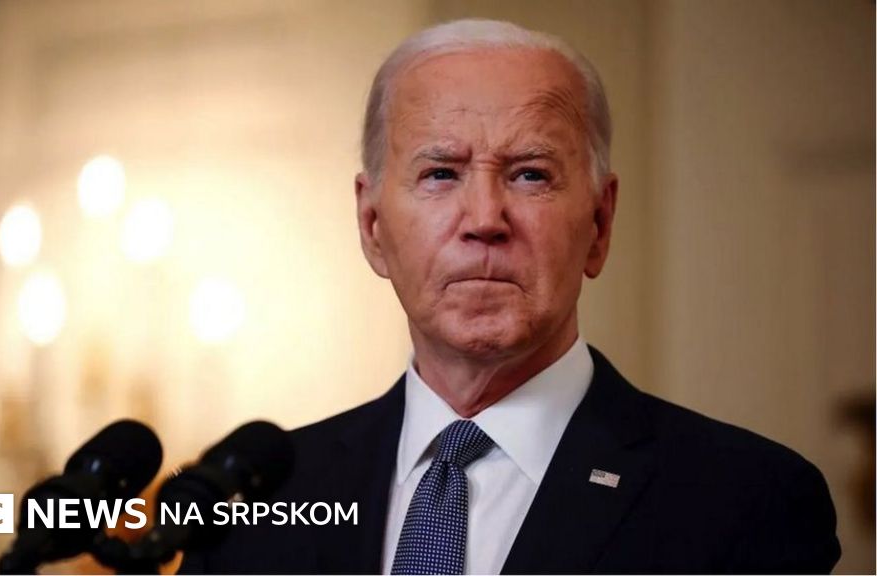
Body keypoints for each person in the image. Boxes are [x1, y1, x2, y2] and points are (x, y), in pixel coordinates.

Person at [180, 18, 840, 574]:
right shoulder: (251, 505)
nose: (484, 219)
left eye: (529, 175)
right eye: (441, 173)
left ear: (600, 224)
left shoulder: (747, 502)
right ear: (371, 224)